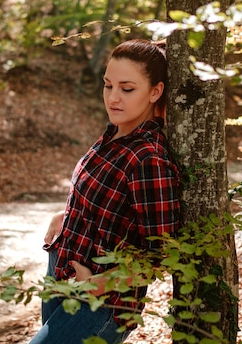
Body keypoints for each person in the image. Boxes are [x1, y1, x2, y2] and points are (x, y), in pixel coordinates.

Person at [29, 39, 181, 344]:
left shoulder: (147, 157)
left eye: (127, 89)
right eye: (108, 85)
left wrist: (98, 286)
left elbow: (162, 255)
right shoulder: (113, 134)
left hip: (101, 303)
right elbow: (107, 204)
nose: (113, 97)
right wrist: (66, 216)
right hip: (61, 274)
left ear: (155, 91)